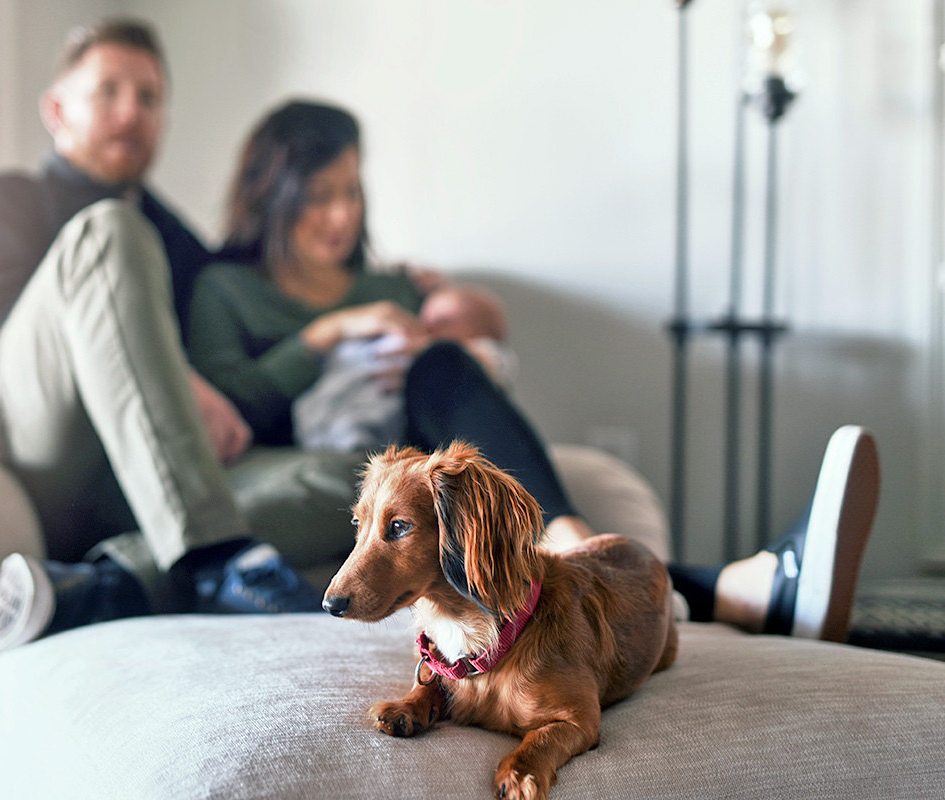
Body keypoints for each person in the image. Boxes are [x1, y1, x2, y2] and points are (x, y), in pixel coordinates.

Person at [186, 98, 881, 642]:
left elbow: (471, 365)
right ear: (273, 193)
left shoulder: (392, 284)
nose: (341, 214)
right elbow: (232, 408)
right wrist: (323, 335)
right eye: (318, 195)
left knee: (444, 366)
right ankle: (740, 583)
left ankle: (604, 549)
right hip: (340, 462)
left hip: (429, 460)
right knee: (437, 389)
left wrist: (459, 326)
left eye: (352, 191)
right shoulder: (227, 289)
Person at [0, 19, 325, 656]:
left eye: (148, 97)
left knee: (361, 486)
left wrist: (404, 294)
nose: (131, 112)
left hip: (135, 474)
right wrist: (178, 378)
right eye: (108, 91)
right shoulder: (13, 201)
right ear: (57, 110)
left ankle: (108, 585)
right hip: (25, 436)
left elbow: (246, 321)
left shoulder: (171, 234)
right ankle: (215, 557)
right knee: (108, 232)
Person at [292, 283, 517, 451]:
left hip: (379, 427)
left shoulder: (476, 353)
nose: (426, 326)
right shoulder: (394, 337)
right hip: (322, 410)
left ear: (476, 333)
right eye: (424, 317)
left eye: (443, 322)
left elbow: (498, 361)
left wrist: (458, 358)